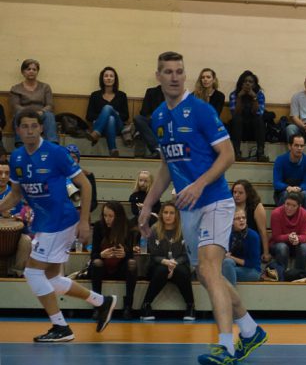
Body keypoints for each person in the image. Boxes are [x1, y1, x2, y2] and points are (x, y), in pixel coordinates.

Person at [139, 51, 267, 365]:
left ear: (185, 75)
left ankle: (225, 346)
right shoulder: (158, 117)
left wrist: (198, 184)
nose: (174, 77)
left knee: (210, 270)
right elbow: (166, 167)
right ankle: (250, 330)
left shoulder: (200, 110)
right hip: (189, 207)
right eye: (168, 72)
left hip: (215, 200)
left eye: (179, 71)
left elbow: (228, 155)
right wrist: (149, 204)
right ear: (158, 76)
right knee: (207, 276)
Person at [0, 109, 116, 341]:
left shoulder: (56, 153)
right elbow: (16, 194)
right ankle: (102, 302)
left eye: (34, 126)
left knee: (32, 272)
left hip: (60, 221)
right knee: (52, 278)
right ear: (18, 130)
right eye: (25, 126)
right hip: (44, 222)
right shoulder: (17, 157)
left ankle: (61, 327)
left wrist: (84, 221)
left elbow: (85, 185)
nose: (30, 131)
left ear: (41, 128)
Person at [140, 202, 195, 321]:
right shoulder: (154, 229)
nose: (168, 216)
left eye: (171, 213)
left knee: (182, 271)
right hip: (159, 265)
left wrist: (174, 263)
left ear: (176, 215)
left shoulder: (184, 230)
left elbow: (186, 255)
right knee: (162, 270)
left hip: (178, 264)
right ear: (161, 214)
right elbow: (153, 255)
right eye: (165, 212)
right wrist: (165, 262)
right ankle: (146, 305)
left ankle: (190, 306)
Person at [88, 201, 139, 320]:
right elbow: (94, 254)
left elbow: (130, 255)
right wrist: (101, 255)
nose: (107, 219)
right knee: (97, 263)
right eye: (105, 215)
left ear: (118, 216)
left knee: (132, 264)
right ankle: (97, 306)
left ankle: (128, 306)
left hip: (120, 268)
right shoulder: (99, 226)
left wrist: (125, 254)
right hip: (102, 267)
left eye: (111, 216)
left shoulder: (127, 227)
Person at [9, 59, 58, 144]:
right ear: (23, 72)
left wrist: (42, 112)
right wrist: (29, 112)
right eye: (28, 69)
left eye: (34, 69)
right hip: (23, 115)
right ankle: (20, 144)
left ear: (37, 72)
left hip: (41, 115)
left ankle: (52, 143)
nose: (31, 71)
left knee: (49, 115)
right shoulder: (16, 88)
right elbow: (15, 106)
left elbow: (50, 105)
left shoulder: (45, 87)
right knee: (18, 114)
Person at [86, 67, 130, 157]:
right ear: (102, 79)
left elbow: (126, 115)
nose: (109, 78)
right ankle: (113, 149)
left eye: (111, 76)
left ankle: (96, 133)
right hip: (101, 125)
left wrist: (114, 113)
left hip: (118, 127)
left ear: (115, 79)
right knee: (110, 118)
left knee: (108, 108)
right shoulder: (95, 95)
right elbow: (89, 116)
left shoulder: (122, 95)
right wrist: (103, 117)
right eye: (106, 76)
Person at [228, 70, 269, 162]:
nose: (247, 84)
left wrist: (254, 98)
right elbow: (235, 113)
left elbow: (259, 113)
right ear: (241, 83)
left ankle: (260, 153)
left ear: (254, 85)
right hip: (238, 128)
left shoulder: (259, 95)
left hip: (254, 128)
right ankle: (236, 153)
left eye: (250, 82)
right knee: (236, 119)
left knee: (259, 120)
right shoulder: (234, 94)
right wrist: (239, 97)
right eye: (245, 81)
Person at [269, 193, 306, 279]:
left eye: (293, 206)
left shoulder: (305, 214)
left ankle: (298, 275)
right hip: (278, 244)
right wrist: (288, 237)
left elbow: (305, 236)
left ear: (299, 206)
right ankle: (282, 276)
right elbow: (276, 237)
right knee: (282, 247)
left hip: (295, 244)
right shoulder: (276, 213)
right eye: (287, 204)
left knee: (304, 248)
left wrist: (297, 238)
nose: (289, 208)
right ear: (284, 203)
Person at [232, 179, 271, 264]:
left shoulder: (256, 206)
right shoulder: (229, 205)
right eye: (234, 192)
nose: (236, 195)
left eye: (240, 193)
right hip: (234, 242)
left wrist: (266, 253)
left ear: (248, 193)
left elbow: (263, 231)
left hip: (252, 243)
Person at [272, 133, 306, 211]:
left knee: (305, 194)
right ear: (289, 146)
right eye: (296, 145)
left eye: (302, 146)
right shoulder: (280, 160)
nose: (299, 148)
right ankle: (281, 218)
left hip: (300, 191)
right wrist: (288, 188)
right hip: (283, 191)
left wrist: (299, 188)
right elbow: (277, 183)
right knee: (286, 194)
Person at [221, 208, 262, 287]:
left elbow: (252, 263)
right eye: (237, 218)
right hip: (232, 266)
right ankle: (231, 293)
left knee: (224, 270)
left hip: (252, 270)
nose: (241, 220)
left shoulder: (253, 236)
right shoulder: (228, 234)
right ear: (231, 221)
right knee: (227, 263)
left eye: (244, 217)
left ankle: (230, 294)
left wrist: (231, 257)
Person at [133, 81, 164, 159]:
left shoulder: (176, 93)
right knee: (138, 118)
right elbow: (144, 112)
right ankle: (157, 148)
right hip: (153, 121)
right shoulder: (151, 92)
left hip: (169, 123)